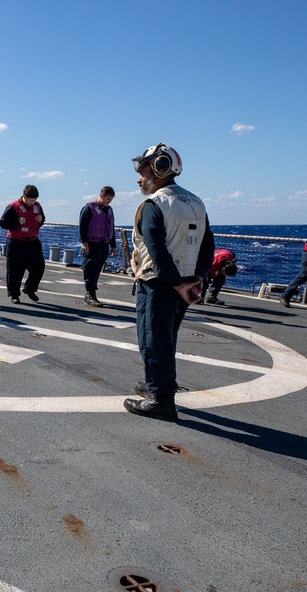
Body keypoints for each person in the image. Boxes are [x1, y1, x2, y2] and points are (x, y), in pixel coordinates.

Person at [124, 143, 214, 422]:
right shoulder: (196, 201)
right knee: (167, 337)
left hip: (158, 283)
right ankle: (156, 382)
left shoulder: (154, 204)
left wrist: (175, 283)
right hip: (186, 282)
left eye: (143, 171)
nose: (139, 178)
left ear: (160, 169)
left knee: (152, 339)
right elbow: (208, 244)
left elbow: (156, 250)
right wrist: (198, 278)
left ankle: (161, 400)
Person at [0, 184, 45, 304]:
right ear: (24, 196)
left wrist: (41, 221)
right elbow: (3, 223)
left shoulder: (37, 206)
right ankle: (14, 294)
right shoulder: (13, 206)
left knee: (39, 266)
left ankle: (30, 288)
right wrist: (16, 223)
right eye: (30, 200)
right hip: (16, 242)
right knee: (15, 270)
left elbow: (41, 220)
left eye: (34, 200)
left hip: (33, 241)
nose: (32, 202)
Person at [78, 186, 117, 307]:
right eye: (107, 199)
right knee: (90, 268)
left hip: (103, 244)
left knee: (97, 269)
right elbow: (82, 226)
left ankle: (91, 293)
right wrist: (84, 243)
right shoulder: (89, 208)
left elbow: (111, 227)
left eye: (110, 199)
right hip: (91, 243)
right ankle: (90, 294)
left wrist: (113, 245)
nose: (108, 201)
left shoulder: (109, 210)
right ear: (101, 196)